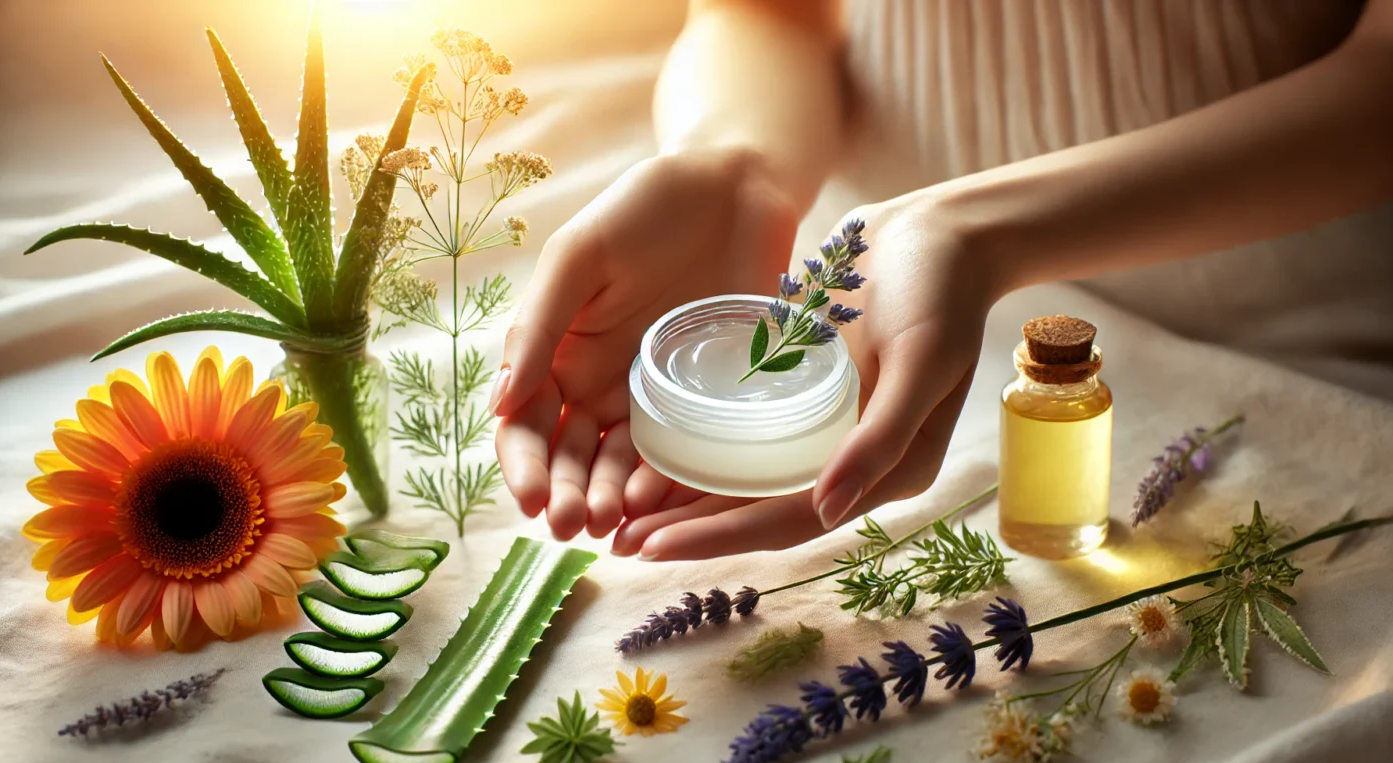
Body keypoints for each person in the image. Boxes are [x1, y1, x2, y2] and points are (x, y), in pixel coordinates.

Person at [490, 0, 1393, 561]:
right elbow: (764, 11)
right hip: (882, 304)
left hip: (1285, 338)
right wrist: (739, 170)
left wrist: (972, 229)